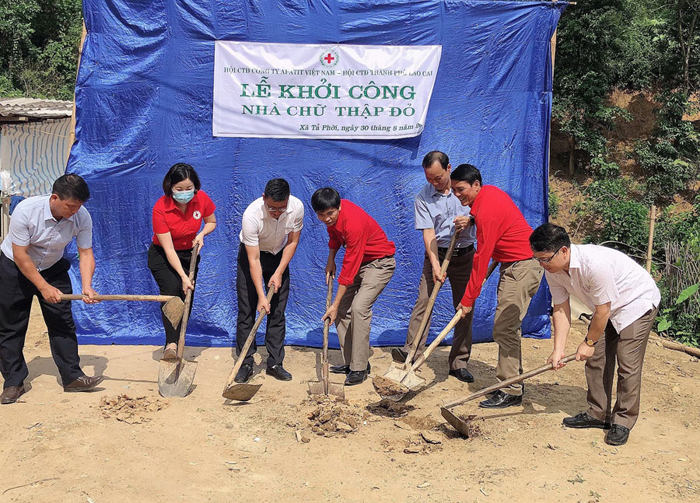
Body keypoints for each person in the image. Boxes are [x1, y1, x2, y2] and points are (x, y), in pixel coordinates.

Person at [530, 223, 660, 446]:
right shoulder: (553, 269)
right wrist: (558, 350)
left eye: (545, 259)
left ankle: (623, 420)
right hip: (607, 305)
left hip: (635, 302)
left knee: (627, 362)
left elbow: (603, 311)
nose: (541, 264)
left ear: (563, 250)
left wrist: (589, 342)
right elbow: (561, 308)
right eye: (537, 259)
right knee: (596, 359)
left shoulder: (594, 264)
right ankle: (598, 414)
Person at [0, 174, 104, 404]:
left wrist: (87, 286)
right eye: (71, 206)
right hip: (15, 268)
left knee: (62, 322)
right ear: (55, 198)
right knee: (11, 325)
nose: (75, 211)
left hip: (52, 267)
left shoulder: (81, 216)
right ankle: (13, 382)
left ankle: (72, 377)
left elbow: (85, 253)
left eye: (79, 206)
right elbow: (20, 255)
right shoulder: (27, 211)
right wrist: (43, 287)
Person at [451, 164, 543, 408]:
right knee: (506, 327)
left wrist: (468, 299)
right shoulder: (486, 197)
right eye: (454, 191)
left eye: (461, 189)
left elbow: (481, 259)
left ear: (476, 184)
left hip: (522, 267)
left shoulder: (488, 210)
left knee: (504, 327)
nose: (458, 195)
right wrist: (472, 219)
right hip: (512, 264)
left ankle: (511, 389)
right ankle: (513, 382)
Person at [392, 151, 477, 382]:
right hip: (436, 253)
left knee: (464, 308)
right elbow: (428, 233)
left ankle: (459, 362)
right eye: (429, 178)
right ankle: (411, 354)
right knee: (424, 302)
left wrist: (470, 219)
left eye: (438, 177)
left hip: (466, 254)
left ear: (449, 168)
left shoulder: (467, 189)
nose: (434, 183)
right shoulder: (423, 197)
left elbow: (482, 213)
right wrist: (435, 265)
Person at [312, 187, 396, 386]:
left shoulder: (353, 223)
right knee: (341, 310)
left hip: (379, 263)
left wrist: (334, 303)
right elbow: (334, 237)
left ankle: (359, 368)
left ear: (339, 207)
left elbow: (349, 270)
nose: (326, 218)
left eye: (330, 213)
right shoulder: (332, 219)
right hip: (360, 262)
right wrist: (330, 260)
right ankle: (351, 362)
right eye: (321, 215)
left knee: (359, 308)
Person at [234, 178, 303, 383]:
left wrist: (279, 271)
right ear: (264, 198)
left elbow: (293, 241)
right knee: (247, 309)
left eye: (281, 209)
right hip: (251, 257)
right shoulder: (251, 215)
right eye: (272, 208)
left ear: (288, 201)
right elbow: (253, 260)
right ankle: (245, 362)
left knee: (277, 310)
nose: (276, 213)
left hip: (279, 256)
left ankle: (275, 363)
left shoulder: (296, 207)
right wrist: (262, 297)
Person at [148, 163, 216, 360]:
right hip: (163, 255)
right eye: (179, 189)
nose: (185, 193)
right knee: (172, 292)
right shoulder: (161, 208)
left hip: (189, 255)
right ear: (170, 186)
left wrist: (202, 233)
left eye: (189, 188)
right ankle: (171, 344)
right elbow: (168, 249)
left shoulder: (201, 199)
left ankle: (179, 340)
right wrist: (184, 276)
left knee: (187, 297)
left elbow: (211, 221)